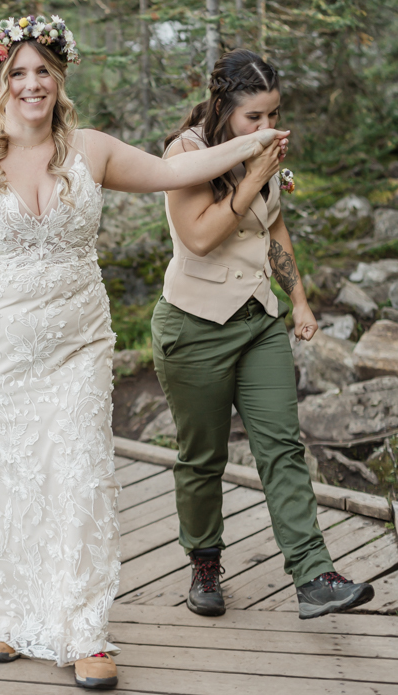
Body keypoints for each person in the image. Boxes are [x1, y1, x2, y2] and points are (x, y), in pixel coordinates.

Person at [0, 18, 288, 691]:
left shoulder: (92, 150)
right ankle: (0, 609)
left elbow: (173, 170)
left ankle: (85, 631)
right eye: (17, 72)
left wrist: (251, 142)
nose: (31, 84)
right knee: (3, 477)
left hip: (77, 344)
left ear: (59, 77)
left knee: (77, 473)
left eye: (42, 70)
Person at [151, 48, 375, 621]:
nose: (267, 128)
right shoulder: (186, 154)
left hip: (258, 322)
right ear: (223, 107)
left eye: (274, 116)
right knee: (202, 457)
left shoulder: (266, 153)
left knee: (282, 448)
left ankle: (313, 574)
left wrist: (298, 301)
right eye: (255, 118)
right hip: (194, 327)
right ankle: (204, 562)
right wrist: (253, 173)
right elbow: (199, 237)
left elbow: (275, 226)